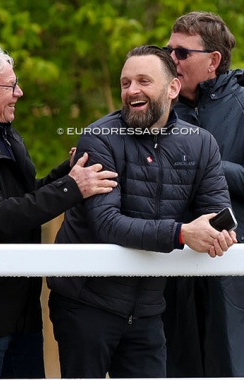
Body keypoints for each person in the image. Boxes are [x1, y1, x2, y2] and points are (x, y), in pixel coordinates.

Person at [0, 41, 118, 379]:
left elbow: (23, 199)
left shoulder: (4, 134)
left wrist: (66, 172)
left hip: (21, 309)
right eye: (11, 85)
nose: (20, 92)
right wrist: (72, 187)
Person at [47, 45, 237, 378]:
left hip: (149, 309)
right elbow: (108, 223)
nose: (132, 90)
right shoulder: (98, 137)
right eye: (125, 83)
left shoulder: (202, 143)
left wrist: (217, 233)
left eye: (143, 81)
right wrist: (182, 233)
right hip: (86, 303)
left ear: (173, 88)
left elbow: (215, 209)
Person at [162, 11, 244, 377]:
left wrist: (204, 164)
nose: (171, 61)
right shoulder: (157, 107)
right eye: (168, 52)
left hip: (232, 268)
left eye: (181, 53)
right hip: (171, 266)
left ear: (213, 60)